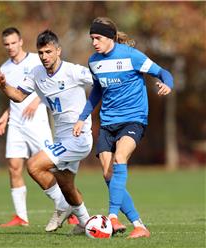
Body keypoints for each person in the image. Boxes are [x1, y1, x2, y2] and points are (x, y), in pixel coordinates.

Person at [73, 17, 174, 238]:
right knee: (109, 175)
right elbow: (97, 91)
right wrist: (82, 117)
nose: (94, 42)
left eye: (98, 38)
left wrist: (168, 84)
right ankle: (139, 226)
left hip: (133, 119)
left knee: (120, 159)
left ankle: (111, 217)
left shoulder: (132, 56)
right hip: (108, 122)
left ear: (109, 37)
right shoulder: (94, 61)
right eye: (92, 38)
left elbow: (163, 72)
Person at [0, 29, 94, 234]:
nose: (45, 57)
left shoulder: (73, 71)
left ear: (58, 51)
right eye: (41, 53)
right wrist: (3, 85)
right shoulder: (37, 73)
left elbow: (100, 84)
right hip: (62, 137)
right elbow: (19, 96)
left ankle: (62, 206)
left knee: (34, 165)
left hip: (79, 137)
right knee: (66, 184)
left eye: (48, 52)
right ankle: (84, 222)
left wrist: (85, 116)